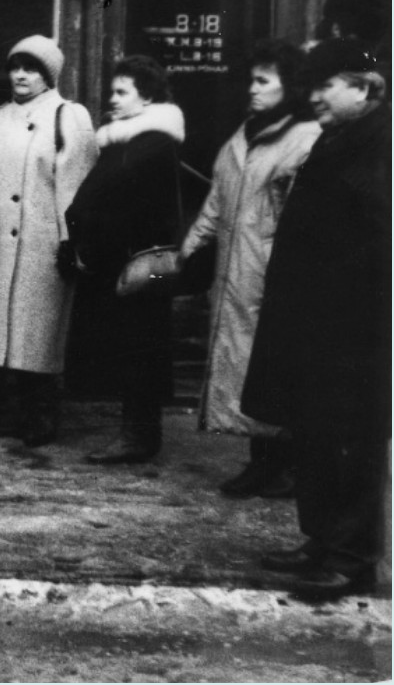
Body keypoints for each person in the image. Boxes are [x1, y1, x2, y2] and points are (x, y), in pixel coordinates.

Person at [241, 40, 390, 598]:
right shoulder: (340, 139)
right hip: (317, 323)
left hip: (356, 330)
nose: (314, 96)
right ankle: (323, 540)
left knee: (353, 441)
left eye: (327, 85)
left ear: (365, 88)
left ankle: (353, 557)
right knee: (318, 437)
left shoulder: (380, 147)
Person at [181, 39, 319, 497]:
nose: (252, 89)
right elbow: (215, 206)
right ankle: (263, 461)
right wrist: (187, 253)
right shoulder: (241, 138)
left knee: (273, 372)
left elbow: (305, 226)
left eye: (263, 81)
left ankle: (285, 465)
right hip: (234, 275)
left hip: (271, 281)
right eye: (251, 80)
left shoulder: (304, 140)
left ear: (291, 87)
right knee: (244, 370)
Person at [63, 55, 186, 465]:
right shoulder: (129, 141)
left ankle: (139, 435)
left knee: (142, 347)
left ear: (147, 96)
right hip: (123, 257)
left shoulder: (152, 143)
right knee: (133, 347)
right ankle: (136, 432)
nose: (112, 100)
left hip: (139, 260)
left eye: (122, 92)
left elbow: (113, 198)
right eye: (111, 92)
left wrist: (89, 229)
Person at [0, 35, 98, 448]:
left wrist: (71, 242)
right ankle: (10, 406)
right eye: (15, 67)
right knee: (3, 330)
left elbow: (76, 186)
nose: (21, 75)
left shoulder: (69, 116)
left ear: (49, 75)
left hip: (42, 241)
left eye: (31, 68)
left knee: (39, 332)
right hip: (0, 242)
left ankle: (42, 410)